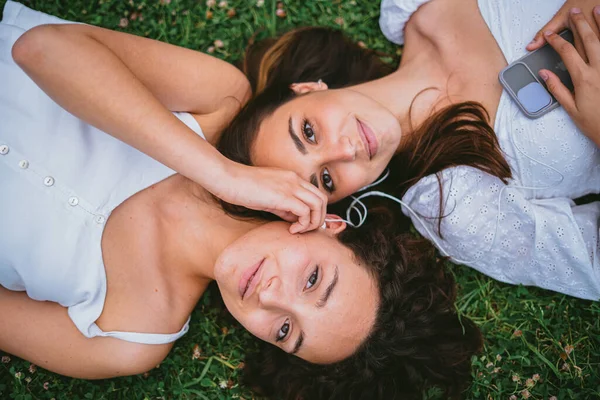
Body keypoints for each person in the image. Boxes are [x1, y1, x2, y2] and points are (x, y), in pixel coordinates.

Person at [0, 3, 481, 399]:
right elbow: (41, 49)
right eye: (312, 280)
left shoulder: (126, 341)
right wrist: (221, 175)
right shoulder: (216, 103)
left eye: (285, 332)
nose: (269, 298)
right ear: (329, 226)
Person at [216, 0, 600, 301]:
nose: (344, 151)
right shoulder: (453, 207)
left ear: (307, 88)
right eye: (326, 179)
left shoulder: (407, 6)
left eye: (309, 132)